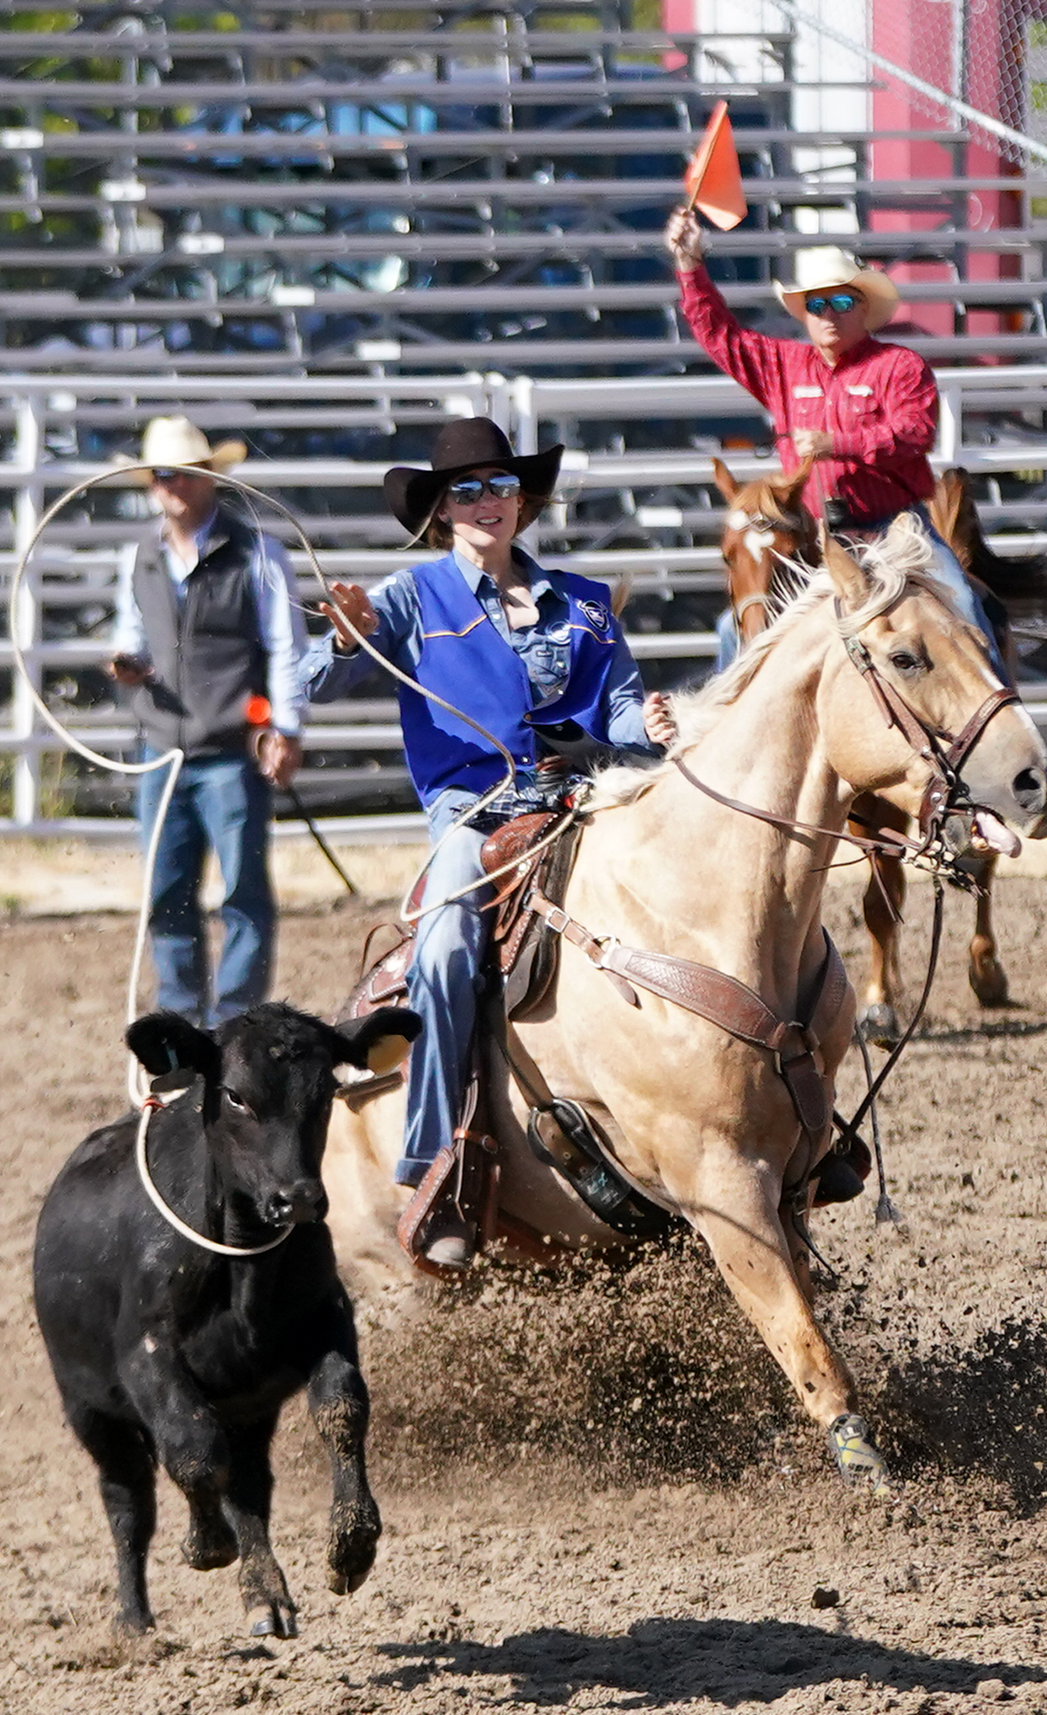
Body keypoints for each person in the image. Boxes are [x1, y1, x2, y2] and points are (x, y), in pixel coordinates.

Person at [315, 419, 680, 1269]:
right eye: (468, 489)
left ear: (523, 499)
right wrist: (343, 634)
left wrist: (653, 722)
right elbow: (316, 679)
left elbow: (617, 708)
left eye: (501, 486)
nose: (488, 502)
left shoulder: (584, 602)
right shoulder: (409, 598)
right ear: (442, 508)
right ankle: (439, 1155)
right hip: (474, 822)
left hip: (580, 801)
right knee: (444, 950)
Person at [664, 212, 1001, 664]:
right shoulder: (784, 364)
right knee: (734, 628)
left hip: (894, 530)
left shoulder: (899, 366)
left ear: (863, 309)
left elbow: (915, 433)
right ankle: (729, 722)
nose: (829, 314)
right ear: (804, 313)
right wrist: (690, 265)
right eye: (817, 304)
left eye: (842, 303)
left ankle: (993, 712)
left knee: (964, 605)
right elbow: (720, 335)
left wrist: (836, 443)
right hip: (811, 537)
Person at [109, 415, 307, 1027]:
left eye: (183, 474)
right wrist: (127, 665)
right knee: (166, 888)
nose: (171, 485)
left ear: (208, 480)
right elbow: (130, 631)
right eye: (162, 475)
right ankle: (180, 1010)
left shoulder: (257, 554)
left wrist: (286, 727)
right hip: (162, 746)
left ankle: (236, 1015)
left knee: (242, 889)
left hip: (230, 748)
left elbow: (286, 645)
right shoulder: (139, 558)